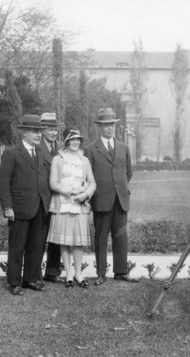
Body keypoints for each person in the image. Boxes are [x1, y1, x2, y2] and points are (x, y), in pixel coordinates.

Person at [0, 114, 51, 295]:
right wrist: (7, 207)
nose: (39, 135)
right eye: (35, 131)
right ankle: (14, 282)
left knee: (36, 246)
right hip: (19, 208)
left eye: (40, 132)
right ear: (24, 133)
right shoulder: (11, 153)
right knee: (17, 246)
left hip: (40, 208)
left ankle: (30, 279)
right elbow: (3, 183)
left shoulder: (42, 153)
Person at [84, 108, 138, 285]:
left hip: (120, 200)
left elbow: (128, 173)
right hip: (101, 200)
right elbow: (88, 176)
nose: (110, 128)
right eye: (106, 125)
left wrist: (119, 188)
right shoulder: (91, 149)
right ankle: (101, 273)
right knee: (100, 238)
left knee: (121, 236)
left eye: (112, 125)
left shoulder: (123, 148)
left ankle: (121, 271)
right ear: (100, 127)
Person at [47, 130, 96, 288]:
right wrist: (68, 191)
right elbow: (53, 183)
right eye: (72, 139)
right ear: (66, 141)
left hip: (79, 205)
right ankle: (68, 274)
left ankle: (78, 274)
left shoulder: (84, 160)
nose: (76, 142)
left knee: (78, 243)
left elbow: (92, 183)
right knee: (65, 241)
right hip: (62, 205)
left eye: (78, 139)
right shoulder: (57, 159)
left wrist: (85, 194)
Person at [39, 112, 63, 284]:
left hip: (58, 199)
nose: (54, 133)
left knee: (56, 237)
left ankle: (52, 272)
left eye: (55, 129)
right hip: (42, 199)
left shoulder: (61, 148)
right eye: (50, 129)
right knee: (39, 237)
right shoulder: (36, 147)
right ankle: (35, 272)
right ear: (42, 130)